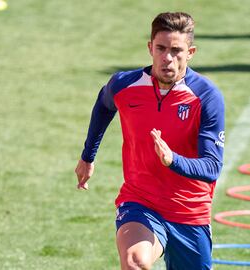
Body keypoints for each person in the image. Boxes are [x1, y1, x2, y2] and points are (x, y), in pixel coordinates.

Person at [75, 12, 225, 270]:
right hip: (140, 200)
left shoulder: (206, 97)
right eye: (161, 48)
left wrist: (172, 160)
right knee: (135, 262)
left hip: (189, 211)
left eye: (177, 50)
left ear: (191, 52)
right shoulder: (125, 85)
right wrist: (88, 156)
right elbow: (103, 104)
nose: (167, 58)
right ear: (150, 48)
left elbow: (212, 168)